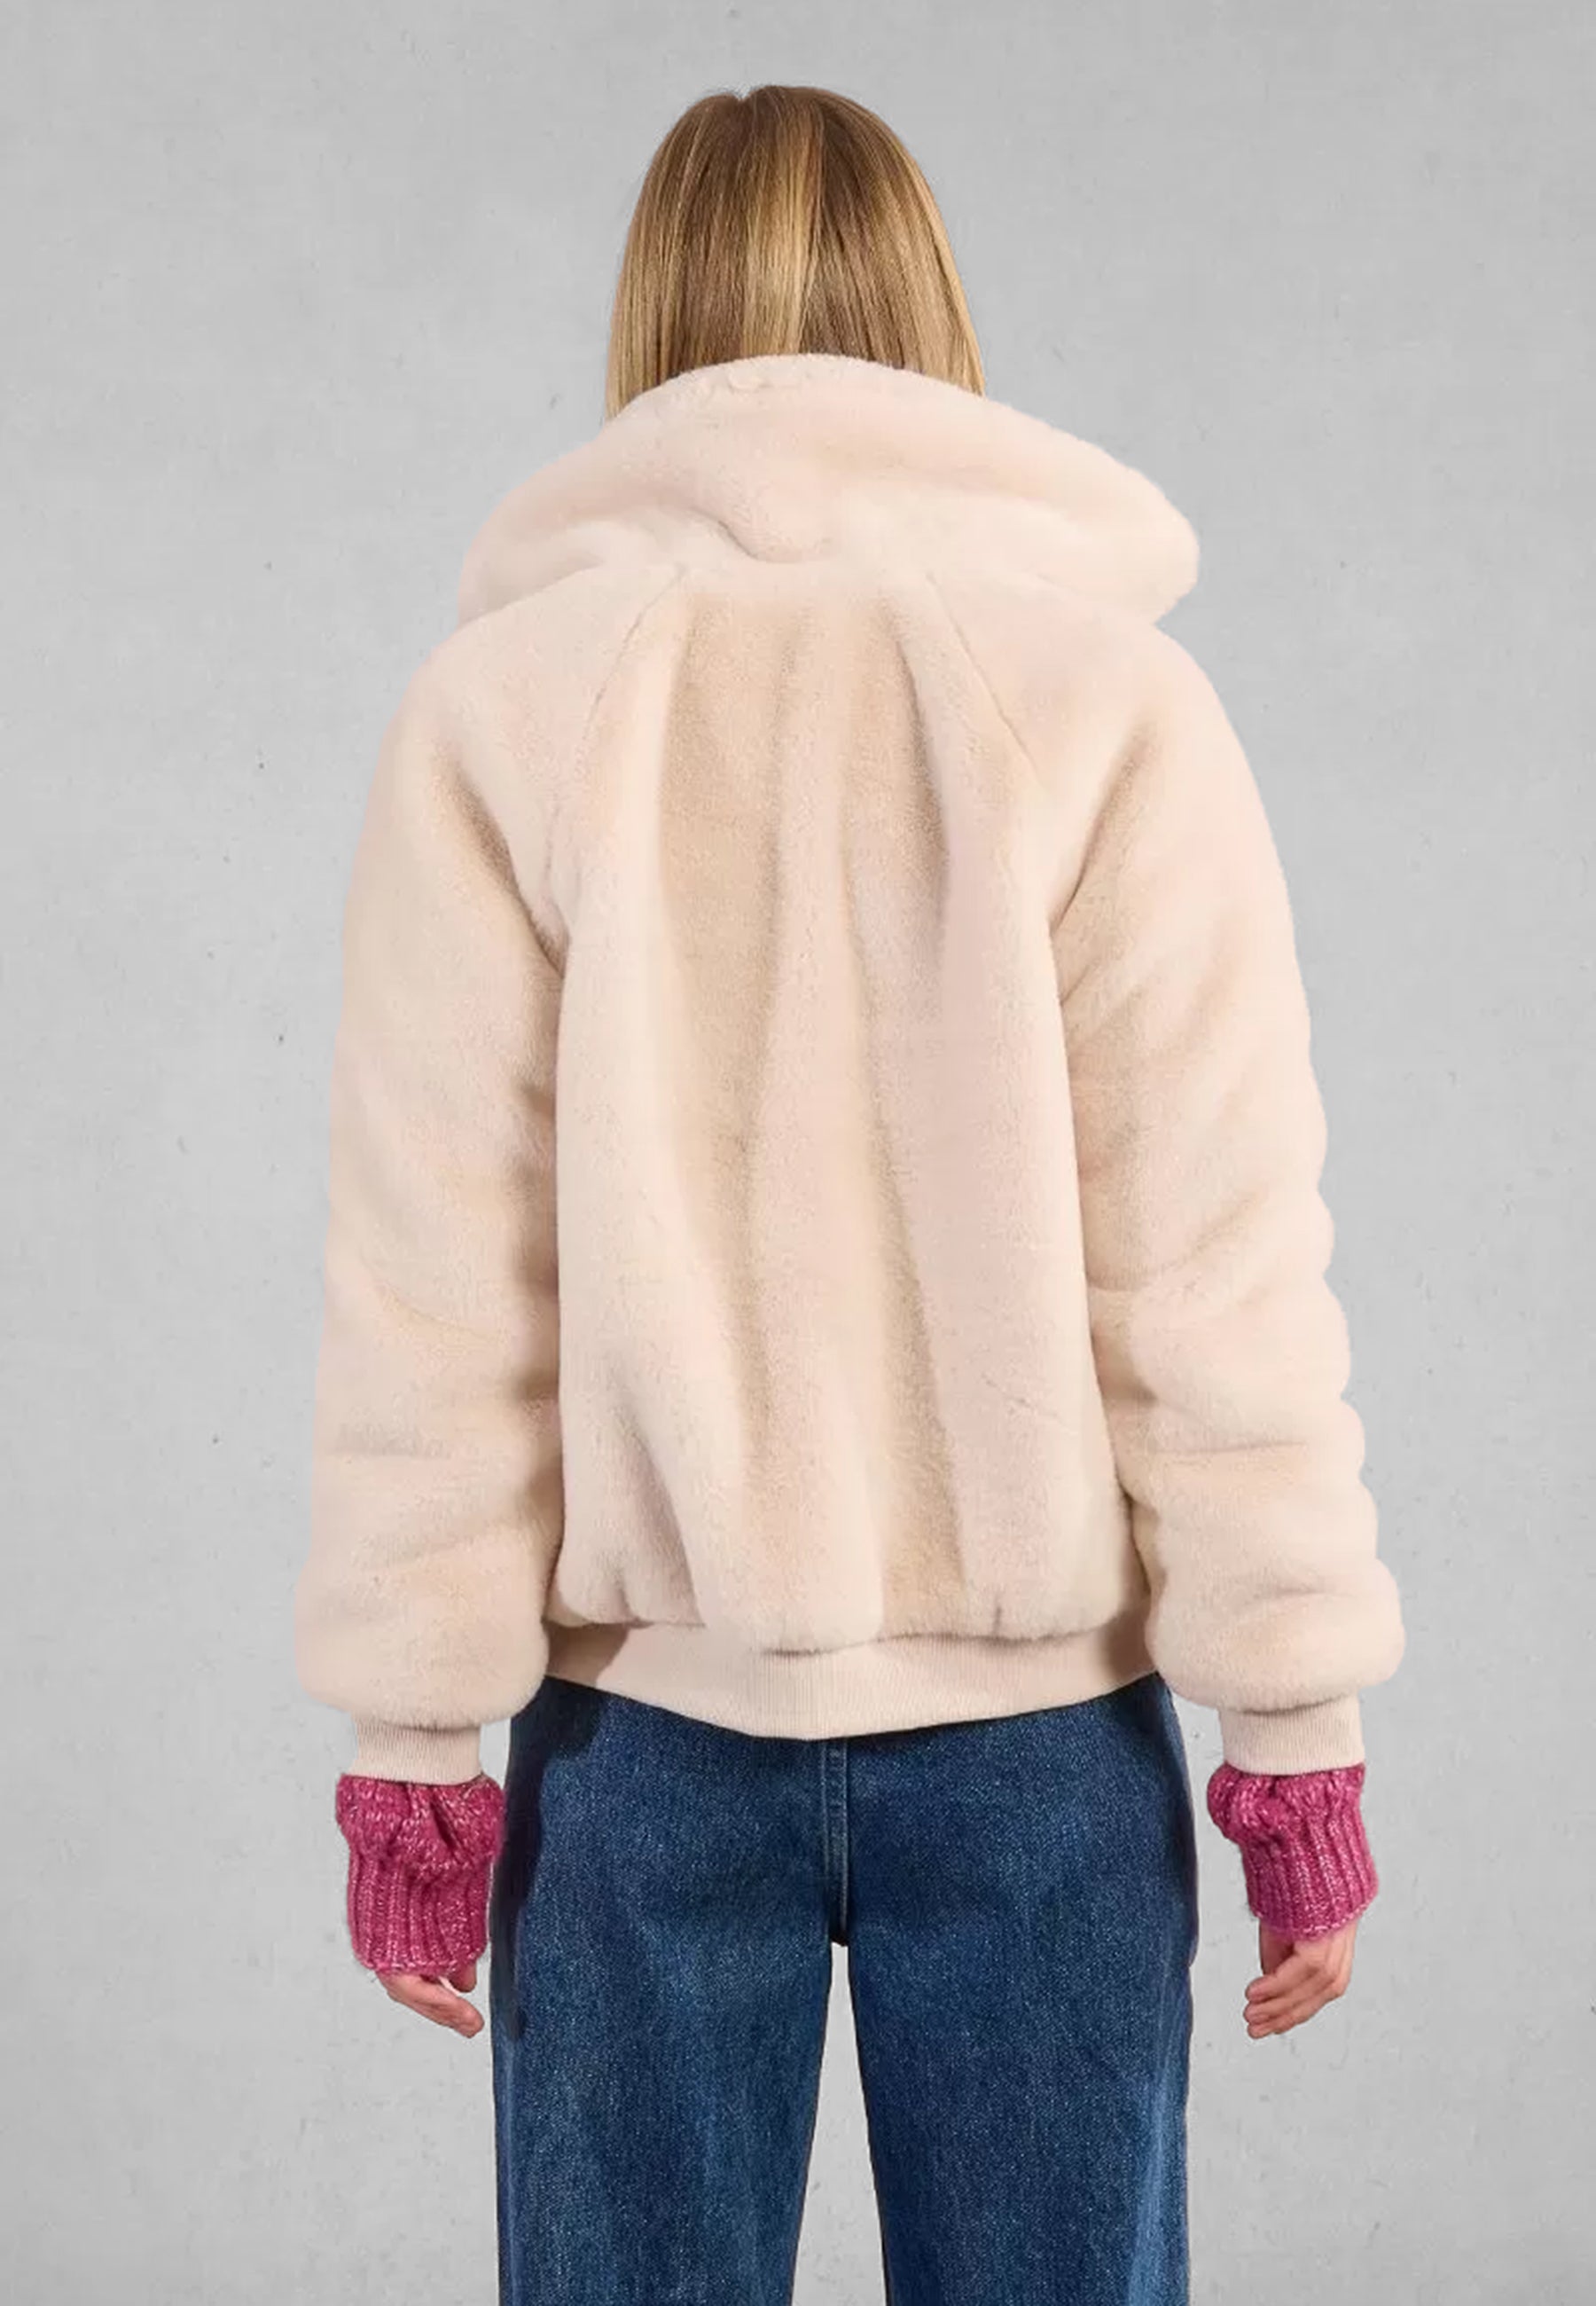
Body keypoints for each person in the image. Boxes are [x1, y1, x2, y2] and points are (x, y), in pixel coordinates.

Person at [295, 82, 1404, 2306]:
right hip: (1041, 1747)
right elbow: (1211, 1261)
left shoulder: (502, 708)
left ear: (651, 313)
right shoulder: (1109, 701)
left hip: (633, 1744)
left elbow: (439, 1270)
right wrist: (1293, 1725)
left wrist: (418, 1740)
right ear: (931, 311)